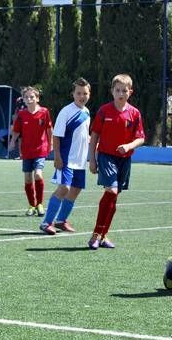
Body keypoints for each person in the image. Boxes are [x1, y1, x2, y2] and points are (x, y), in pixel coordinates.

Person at [87, 74, 145, 249]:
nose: (121, 93)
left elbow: (141, 138)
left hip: (124, 160)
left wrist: (128, 146)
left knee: (114, 198)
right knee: (111, 191)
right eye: (117, 90)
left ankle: (103, 236)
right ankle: (95, 235)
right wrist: (92, 159)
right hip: (106, 156)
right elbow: (95, 135)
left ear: (130, 92)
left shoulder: (134, 113)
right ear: (112, 91)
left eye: (124, 90)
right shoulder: (104, 111)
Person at [39, 78, 92, 235]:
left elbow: (83, 135)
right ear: (73, 94)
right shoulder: (66, 111)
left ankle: (61, 220)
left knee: (75, 190)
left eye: (85, 93)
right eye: (78, 93)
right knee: (64, 188)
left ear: (89, 94)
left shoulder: (87, 112)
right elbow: (56, 136)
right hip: (66, 159)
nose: (81, 96)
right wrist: (57, 156)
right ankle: (46, 222)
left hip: (80, 161)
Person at [9, 86, 53, 216]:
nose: (29, 99)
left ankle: (40, 204)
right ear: (23, 99)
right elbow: (16, 131)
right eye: (26, 97)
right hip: (26, 151)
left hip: (40, 150)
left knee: (38, 174)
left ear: (37, 98)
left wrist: (51, 142)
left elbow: (49, 129)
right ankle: (31, 205)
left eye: (32, 97)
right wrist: (12, 142)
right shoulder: (22, 114)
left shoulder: (44, 112)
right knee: (28, 179)